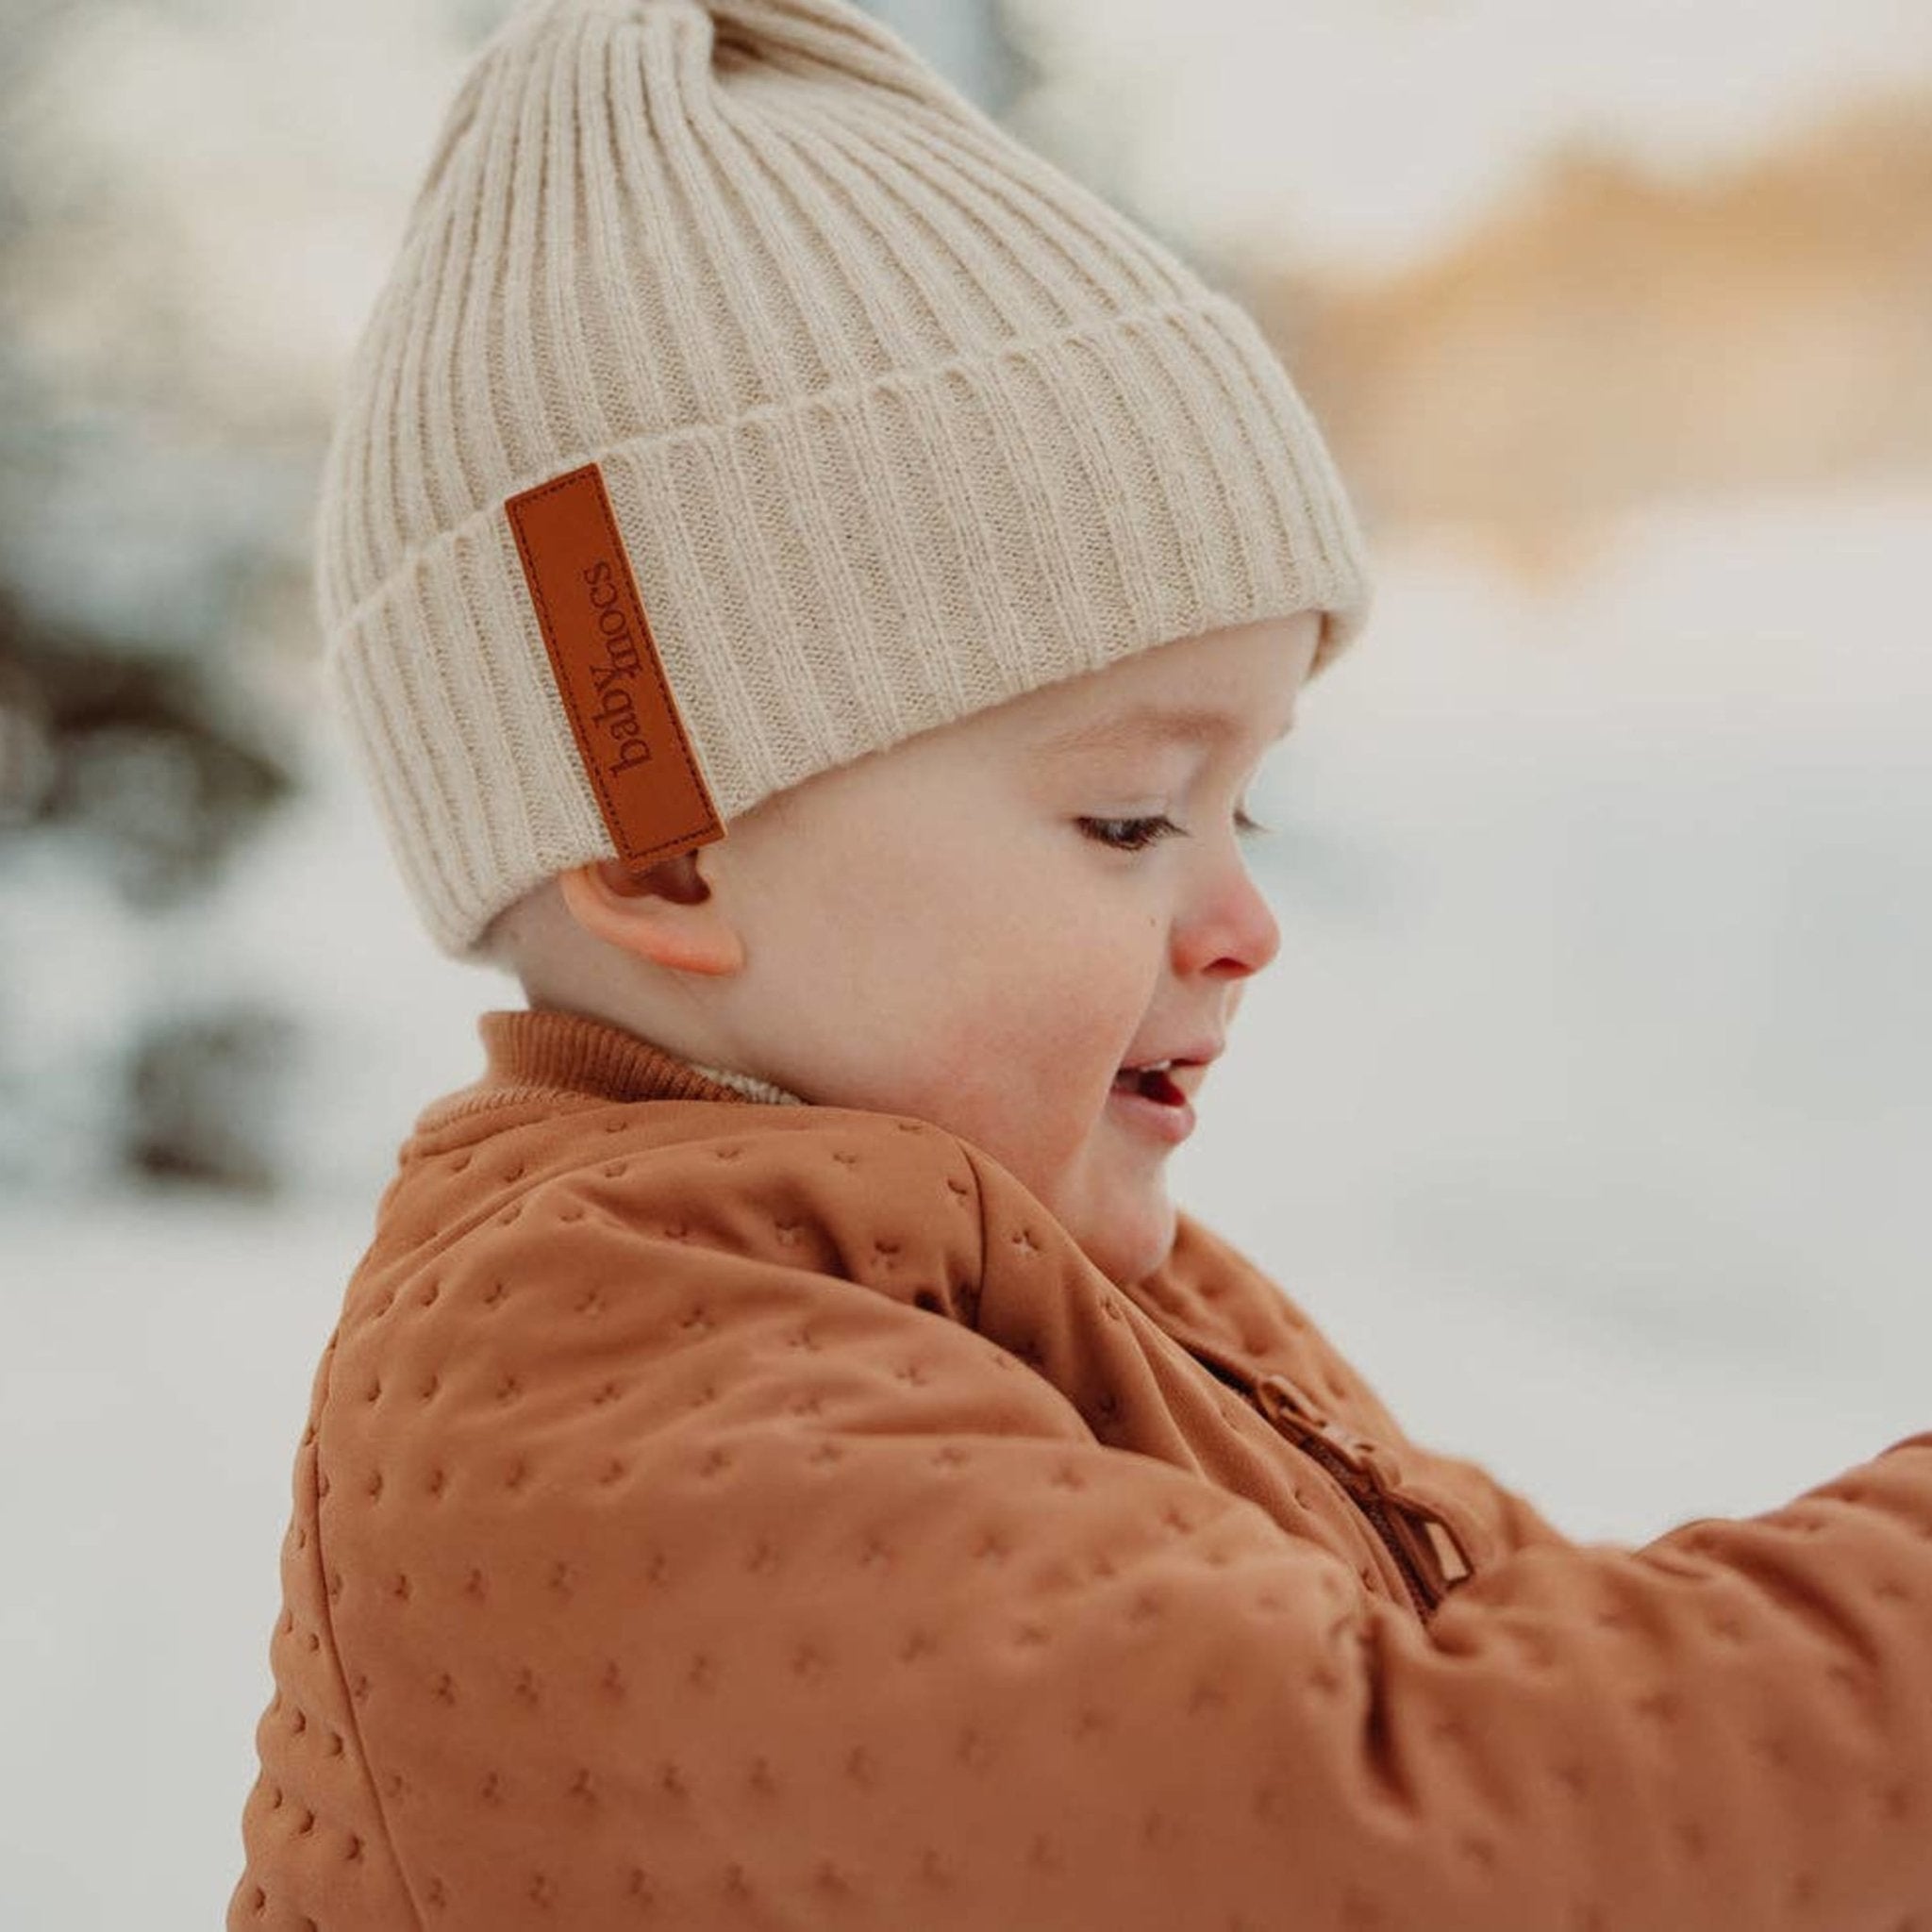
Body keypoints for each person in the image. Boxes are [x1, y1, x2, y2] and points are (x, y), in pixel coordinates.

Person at [229, 0, 1932, 1924]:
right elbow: (1417, 1839)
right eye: (1130, 819)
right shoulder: (598, 1378)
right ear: (664, 850)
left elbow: (1576, 1681)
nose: (1243, 923)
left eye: (1246, 812)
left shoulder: (1066, 1278)